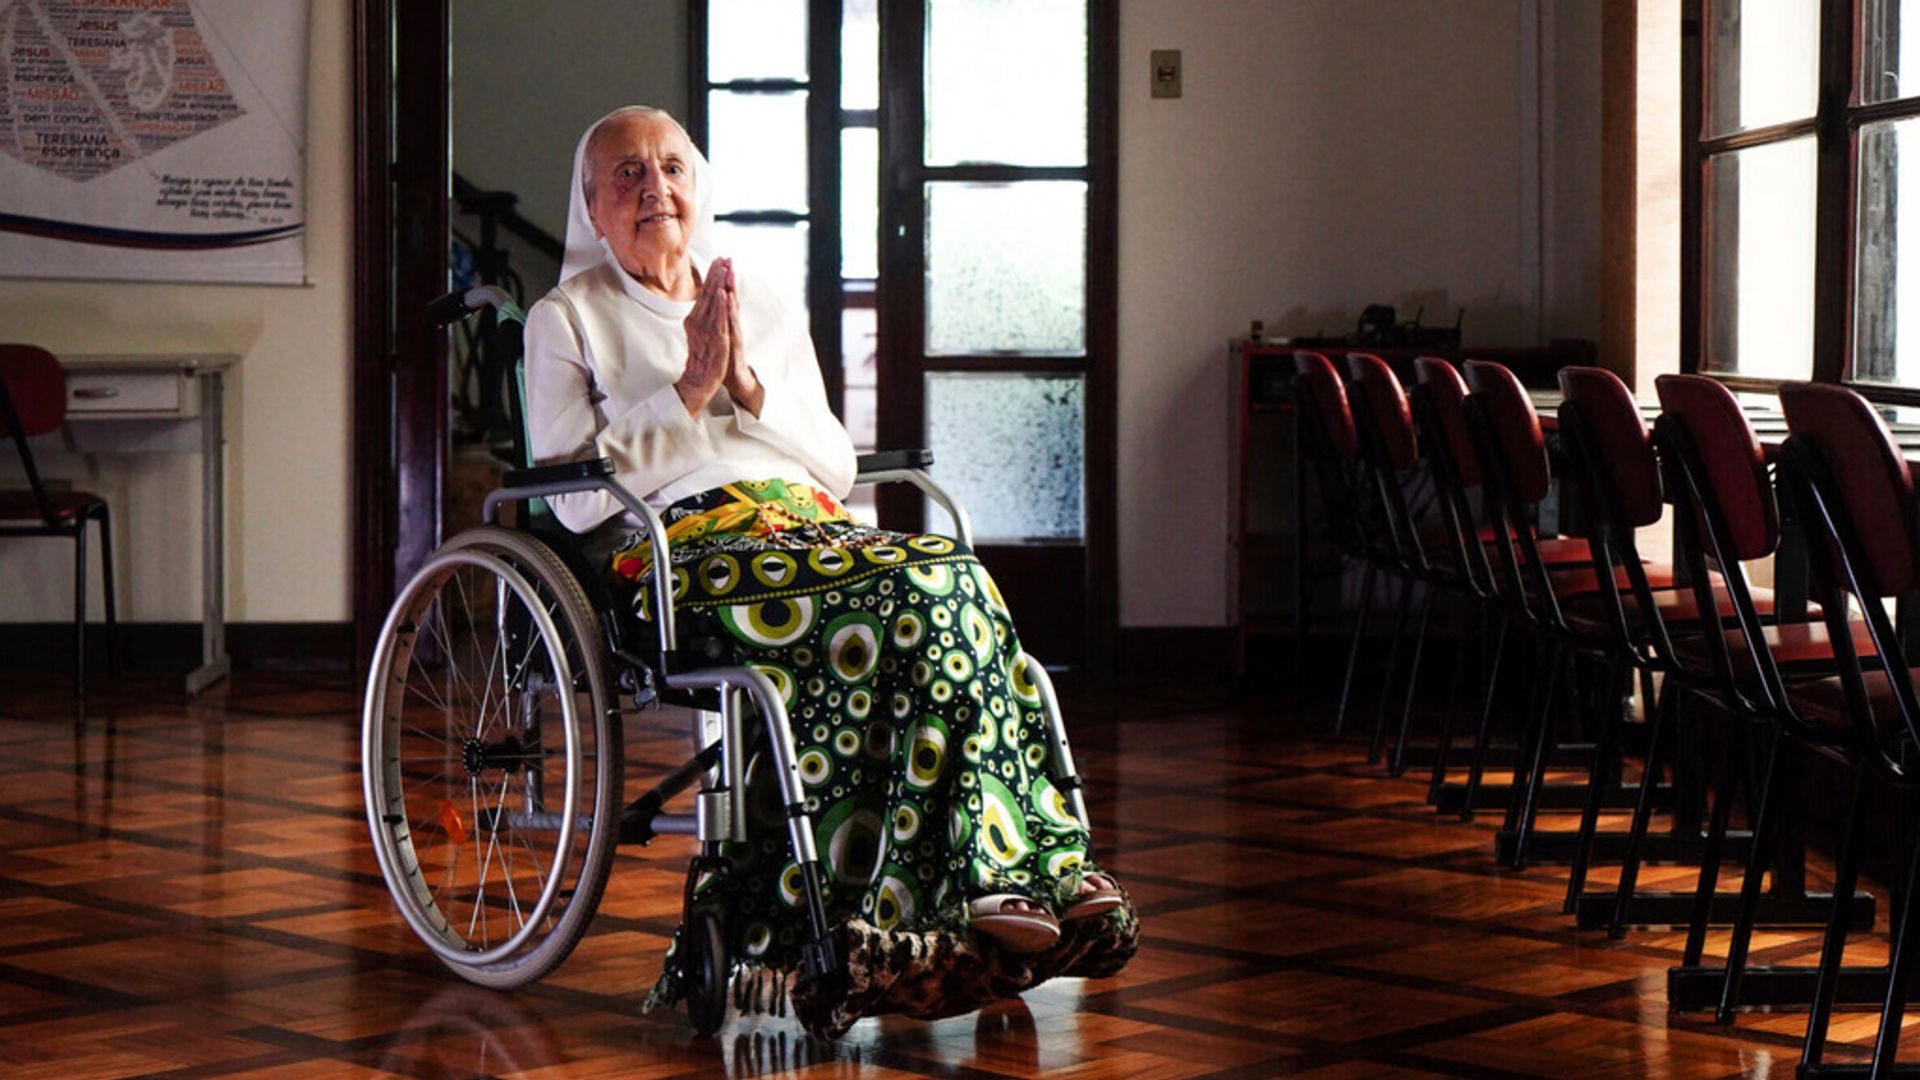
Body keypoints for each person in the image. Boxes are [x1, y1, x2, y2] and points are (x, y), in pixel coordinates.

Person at [523, 105, 1134, 1034]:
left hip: (805, 531)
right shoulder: (564, 317)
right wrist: (687, 389)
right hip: (681, 554)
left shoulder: (757, 299)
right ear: (592, 208)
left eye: (673, 168)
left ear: (701, 185)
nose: (656, 189)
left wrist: (747, 387)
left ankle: (1023, 869)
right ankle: (924, 897)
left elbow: (835, 465)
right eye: (628, 175)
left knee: (946, 576)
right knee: (909, 589)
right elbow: (572, 498)